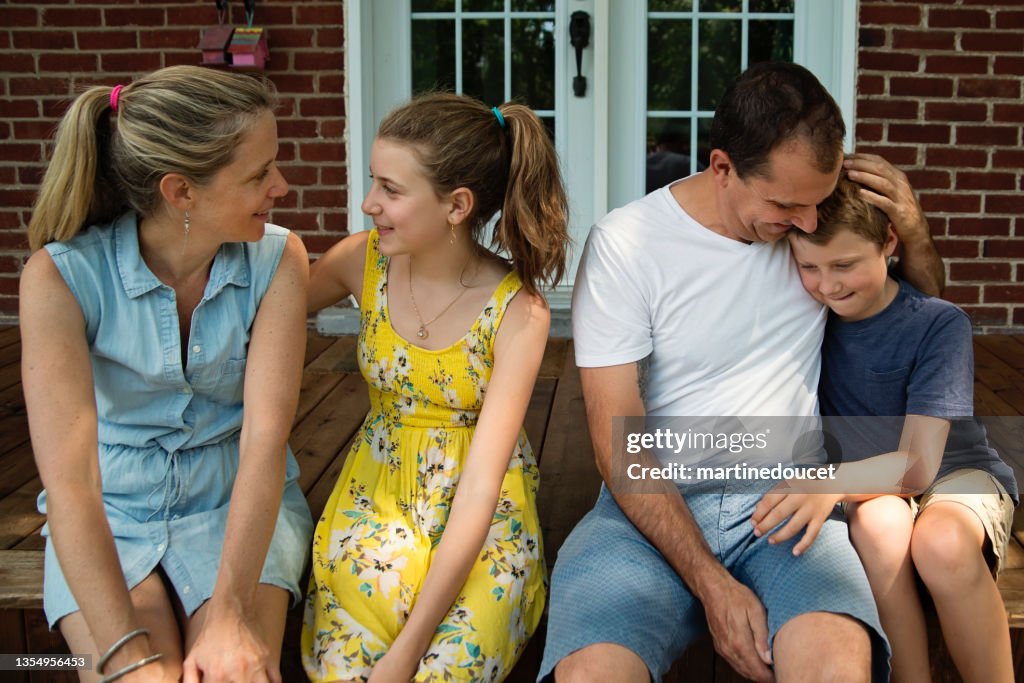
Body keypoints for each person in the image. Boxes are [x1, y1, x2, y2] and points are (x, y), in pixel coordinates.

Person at [541, 61, 945, 683]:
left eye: (817, 202)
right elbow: (619, 450)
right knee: (591, 674)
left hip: (786, 506)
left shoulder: (815, 237)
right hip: (651, 509)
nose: (808, 225)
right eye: (787, 204)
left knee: (838, 665)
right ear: (722, 166)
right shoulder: (628, 245)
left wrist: (912, 231)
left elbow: (920, 313)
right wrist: (712, 585)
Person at [20, 65, 313, 683]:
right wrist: (125, 652)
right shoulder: (59, 279)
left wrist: (231, 613)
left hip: (237, 501)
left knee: (237, 673)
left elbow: (264, 444)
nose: (282, 187)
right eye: (260, 174)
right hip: (111, 515)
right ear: (182, 192)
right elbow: (72, 487)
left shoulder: (279, 260)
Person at [301, 92, 569, 682]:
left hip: (483, 517)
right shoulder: (359, 261)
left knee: (445, 670)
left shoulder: (517, 312)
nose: (369, 203)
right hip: (378, 496)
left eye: (391, 190)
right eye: (374, 182)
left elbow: (479, 492)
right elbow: (259, 308)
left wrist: (405, 656)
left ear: (457, 205)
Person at [761, 176, 1018, 682]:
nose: (828, 285)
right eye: (808, 267)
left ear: (889, 245)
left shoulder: (939, 324)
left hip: (952, 472)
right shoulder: (807, 316)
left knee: (942, 543)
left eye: (845, 265)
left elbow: (919, 466)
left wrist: (828, 482)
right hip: (871, 485)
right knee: (879, 527)